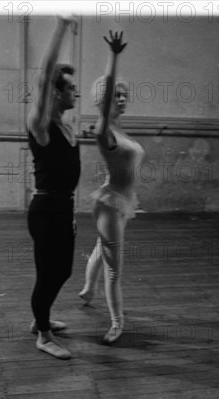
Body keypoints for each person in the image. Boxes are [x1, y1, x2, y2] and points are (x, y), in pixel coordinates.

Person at [79, 31, 145, 344]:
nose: (121, 98)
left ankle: (88, 289)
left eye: (123, 94)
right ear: (103, 99)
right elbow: (105, 105)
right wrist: (114, 57)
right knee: (114, 268)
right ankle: (116, 322)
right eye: (114, 95)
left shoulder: (119, 129)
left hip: (121, 199)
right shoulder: (104, 128)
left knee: (101, 248)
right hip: (110, 204)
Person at [27, 16, 80, 359]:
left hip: (64, 208)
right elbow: (45, 74)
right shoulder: (41, 125)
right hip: (45, 210)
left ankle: (39, 319)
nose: (75, 92)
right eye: (70, 88)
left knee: (64, 270)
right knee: (49, 274)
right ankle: (43, 334)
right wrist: (62, 27)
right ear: (56, 93)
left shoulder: (67, 127)